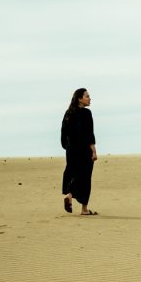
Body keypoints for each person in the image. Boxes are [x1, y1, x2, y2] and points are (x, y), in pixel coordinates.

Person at [60, 87, 98, 215]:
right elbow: (89, 134)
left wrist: (67, 147)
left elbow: (63, 132)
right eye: (87, 96)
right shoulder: (86, 113)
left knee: (73, 173)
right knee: (85, 177)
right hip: (84, 150)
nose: (89, 98)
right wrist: (94, 151)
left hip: (71, 150)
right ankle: (84, 209)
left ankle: (69, 194)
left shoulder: (68, 113)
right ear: (79, 99)